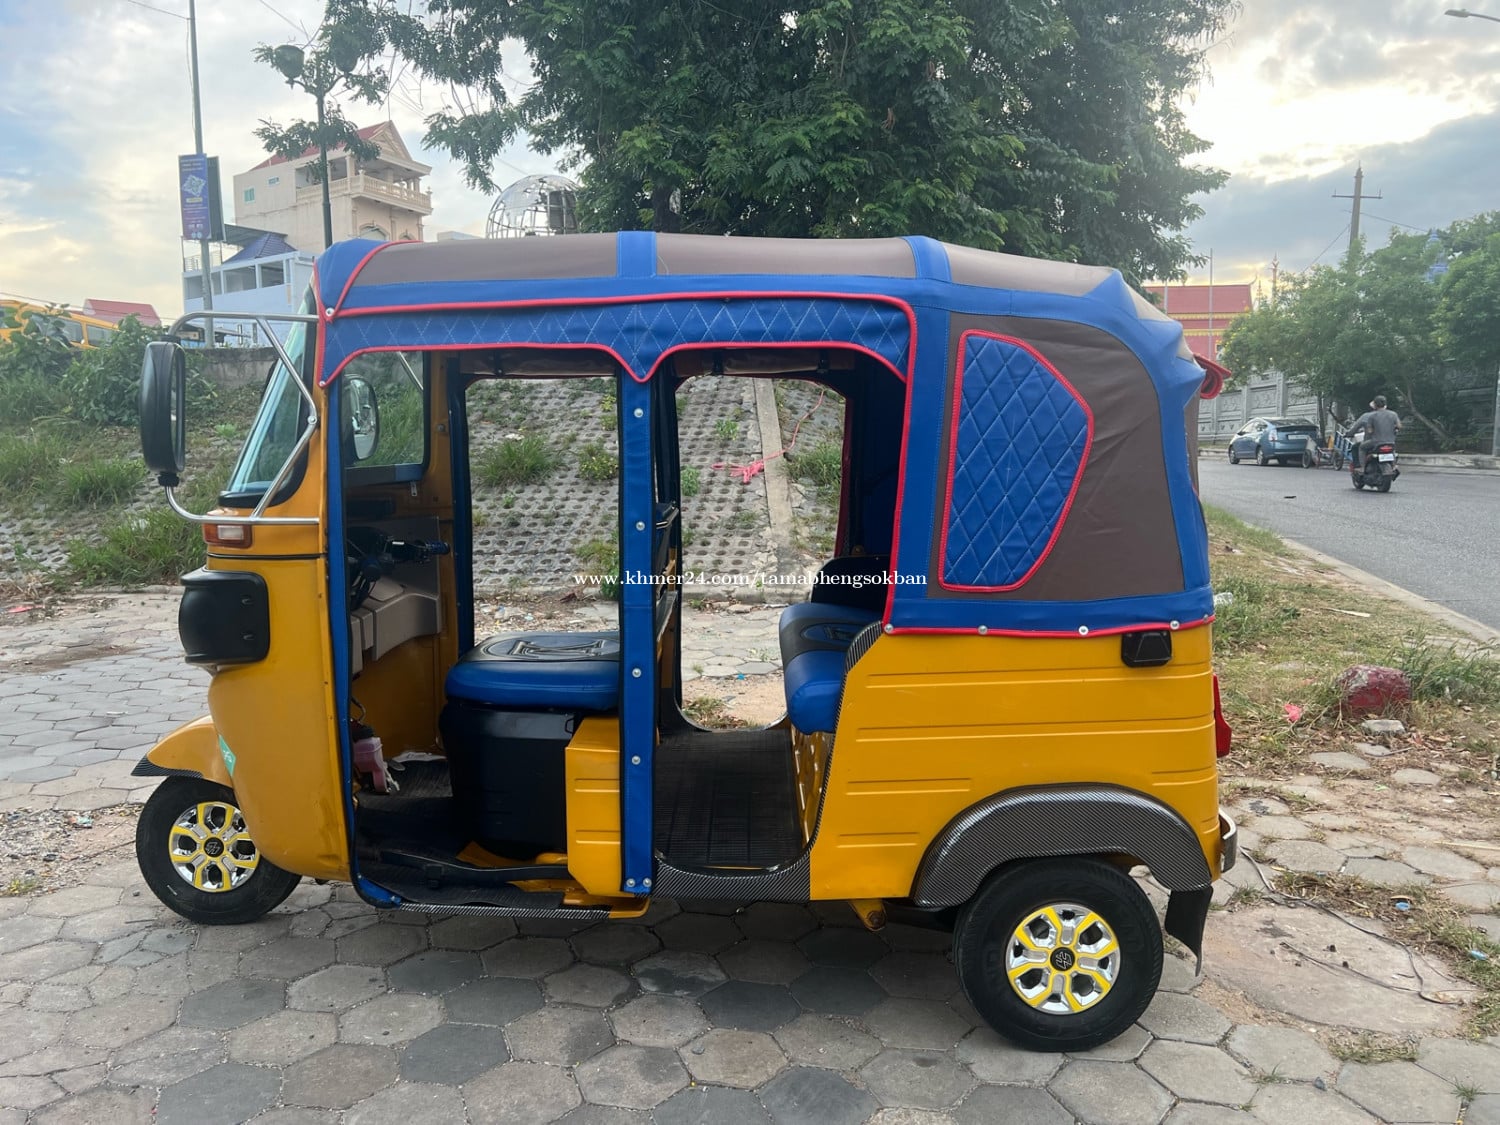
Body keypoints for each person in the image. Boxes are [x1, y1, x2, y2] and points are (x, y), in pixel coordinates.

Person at [1350, 395, 1401, 470]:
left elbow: (1370, 431)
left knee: (1361, 447)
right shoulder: (1393, 414)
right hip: (1391, 441)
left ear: (1375, 405)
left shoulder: (1372, 416)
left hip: (1376, 442)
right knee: (1392, 449)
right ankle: (1394, 465)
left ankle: (1362, 467)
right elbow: (1399, 426)